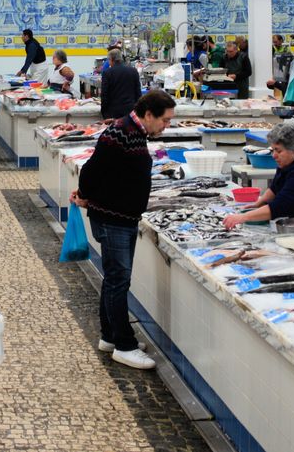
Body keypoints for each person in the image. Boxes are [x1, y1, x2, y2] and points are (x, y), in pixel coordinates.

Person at [74, 90, 175, 370]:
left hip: (120, 216)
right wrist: (84, 193)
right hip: (113, 219)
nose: (166, 126)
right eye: (165, 121)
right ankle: (124, 345)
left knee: (114, 279)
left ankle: (110, 336)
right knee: (119, 281)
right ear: (149, 114)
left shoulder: (133, 131)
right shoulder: (120, 132)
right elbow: (92, 170)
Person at [100, 48, 140, 120]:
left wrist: (104, 113)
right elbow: (138, 93)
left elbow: (104, 95)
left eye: (109, 60)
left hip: (113, 112)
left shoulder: (107, 73)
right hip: (130, 111)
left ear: (112, 59)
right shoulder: (133, 71)